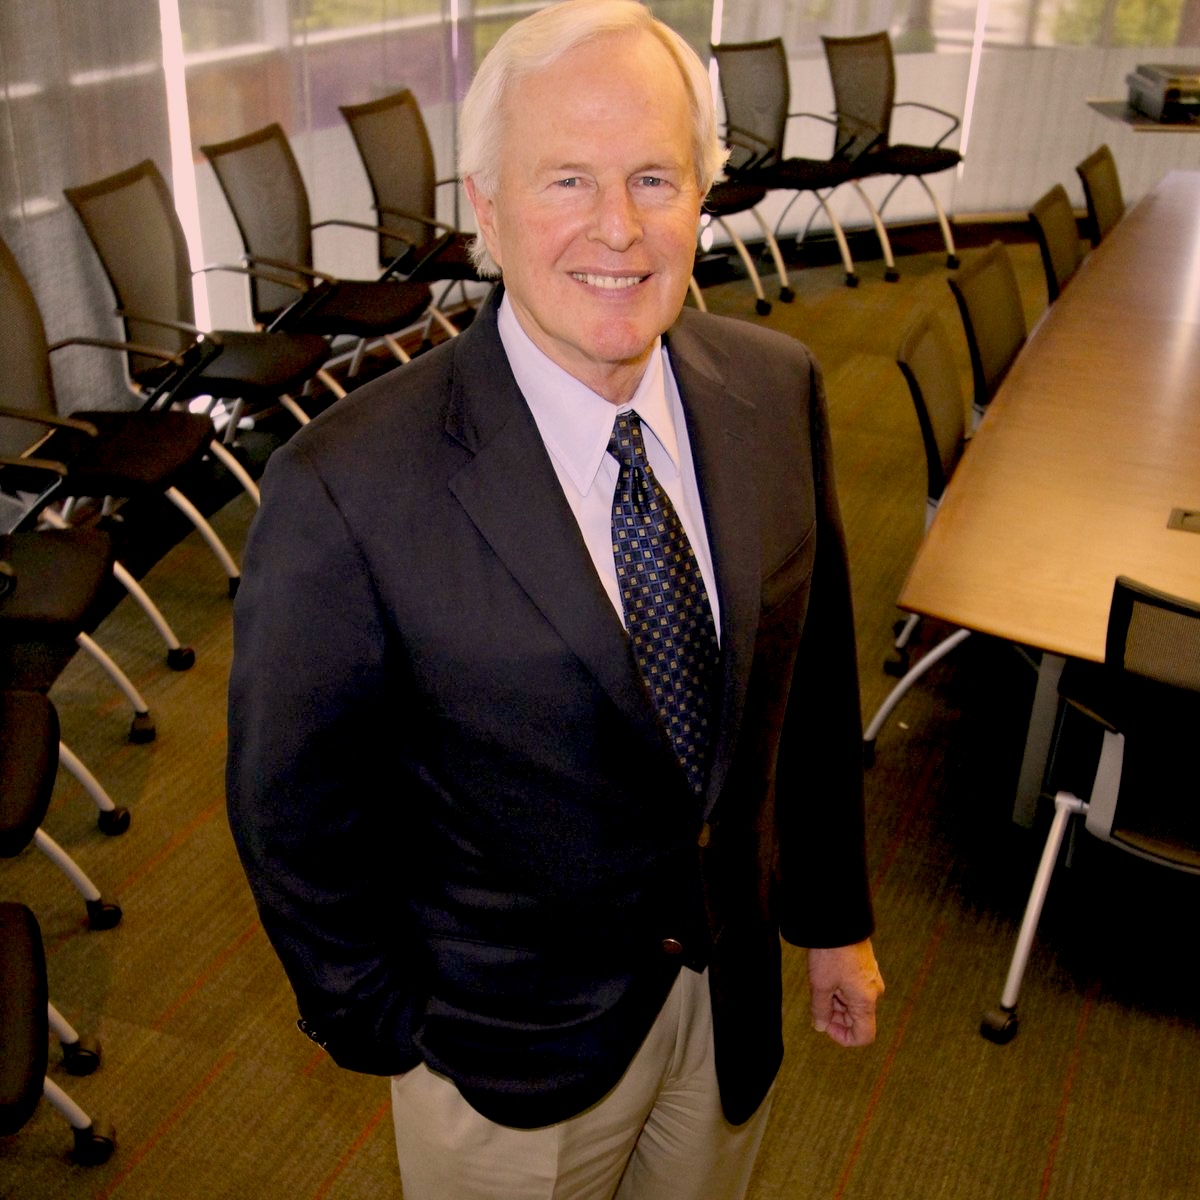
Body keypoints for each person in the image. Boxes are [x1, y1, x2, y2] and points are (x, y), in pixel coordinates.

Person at [226, 2, 883, 1197]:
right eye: (567, 179)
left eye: (654, 176)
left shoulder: (780, 391)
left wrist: (830, 918)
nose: (619, 229)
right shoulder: (347, 486)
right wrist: (391, 1030)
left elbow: (815, 689)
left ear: (704, 194)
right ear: (485, 208)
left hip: (726, 1002)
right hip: (502, 1062)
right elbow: (293, 808)